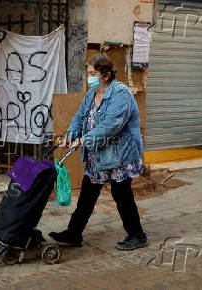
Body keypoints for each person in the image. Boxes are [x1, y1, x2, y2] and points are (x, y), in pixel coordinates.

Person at [49, 53, 148, 251]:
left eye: (93, 73)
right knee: (87, 195)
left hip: (119, 156)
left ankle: (137, 235)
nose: (89, 77)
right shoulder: (92, 94)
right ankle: (74, 234)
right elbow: (79, 116)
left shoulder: (121, 94)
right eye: (88, 73)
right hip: (97, 156)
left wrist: (82, 140)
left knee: (122, 195)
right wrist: (71, 134)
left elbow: (111, 126)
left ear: (106, 75)